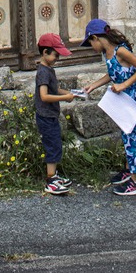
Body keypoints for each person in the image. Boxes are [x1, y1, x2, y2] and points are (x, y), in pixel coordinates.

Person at [81, 18, 136, 196]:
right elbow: (113, 73)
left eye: (90, 43)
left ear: (96, 38)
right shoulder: (108, 53)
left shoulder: (121, 51)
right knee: (127, 135)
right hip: (125, 100)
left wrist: (123, 85)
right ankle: (129, 171)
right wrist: (93, 85)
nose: (92, 48)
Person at [34, 32, 75, 195]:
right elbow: (44, 95)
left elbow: (53, 89)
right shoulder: (43, 71)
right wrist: (65, 97)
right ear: (45, 52)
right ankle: (50, 180)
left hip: (51, 115)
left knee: (56, 144)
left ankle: (54, 175)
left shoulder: (48, 69)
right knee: (52, 146)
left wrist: (69, 93)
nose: (57, 58)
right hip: (46, 116)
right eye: (55, 55)